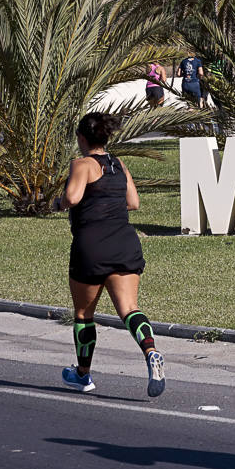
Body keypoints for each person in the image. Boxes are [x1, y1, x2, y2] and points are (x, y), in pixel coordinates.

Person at [54, 112, 165, 397]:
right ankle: (151, 351)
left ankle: (83, 374)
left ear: (81, 138)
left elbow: (73, 197)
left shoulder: (82, 163)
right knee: (129, 308)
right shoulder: (118, 164)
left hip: (91, 245)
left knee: (83, 313)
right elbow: (134, 202)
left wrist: (59, 202)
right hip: (124, 242)